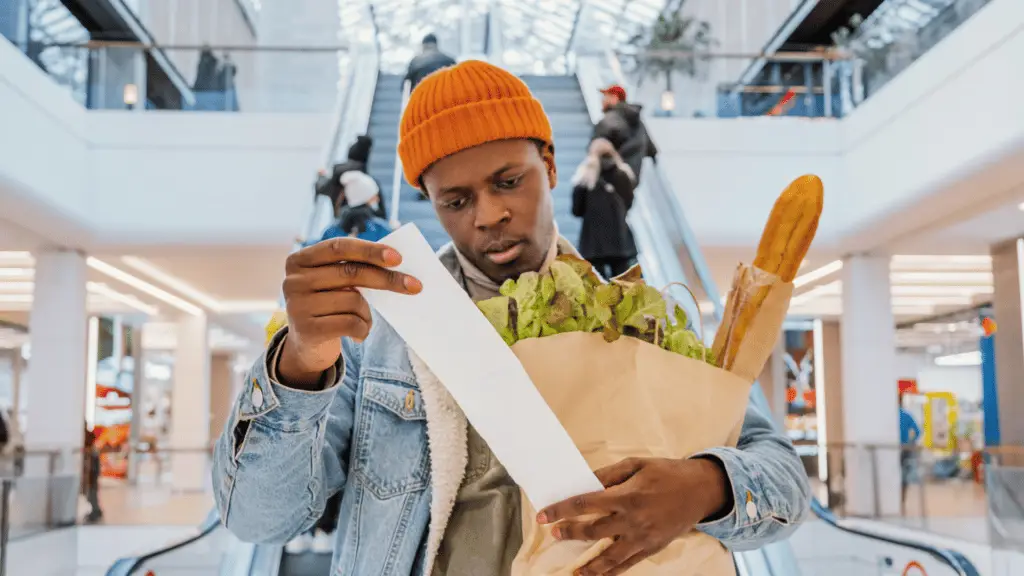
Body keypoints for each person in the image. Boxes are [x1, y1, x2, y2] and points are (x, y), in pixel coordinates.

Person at [214, 60, 810, 576]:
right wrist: (300, 365)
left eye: (509, 181)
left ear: (549, 167)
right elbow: (259, 518)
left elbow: (782, 475)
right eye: (457, 200)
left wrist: (706, 487)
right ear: (430, 201)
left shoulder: (638, 319)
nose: (490, 214)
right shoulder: (378, 337)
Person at [571, 137, 637, 279]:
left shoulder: (584, 177)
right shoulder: (623, 175)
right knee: (623, 287)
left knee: (596, 287)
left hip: (593, 242)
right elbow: (629, 203)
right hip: (619, 240)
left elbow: (576, 210)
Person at [593, 84, 658, 185]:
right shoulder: (638, 122)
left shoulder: (609, 121)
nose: (602, 101)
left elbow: (595, 148)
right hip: (631, 181)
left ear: (615, 98)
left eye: (606, 97)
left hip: (610, 180)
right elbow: (651, 150)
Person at [337, 171, 390, 242]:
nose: (377, 199)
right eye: (374, 196)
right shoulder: (380, 229)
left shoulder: (332, 231)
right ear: (365, 198)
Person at [899, 403, 922, 512]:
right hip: (905, 449)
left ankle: (896, 499)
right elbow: (917, 432)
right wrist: (910, 442)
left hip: (894, 450)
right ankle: (902, 499)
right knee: (904, 475)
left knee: (895, 474)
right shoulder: (906, 415)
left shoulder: (891, 416)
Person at [82, 425, 102, 523]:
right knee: (91, 492)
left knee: (91, 492)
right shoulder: (92, 451)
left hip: (92, 474)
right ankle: (95, 510)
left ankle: (95, 510)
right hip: (92, 474)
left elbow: (93, 467)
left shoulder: (92, 452)